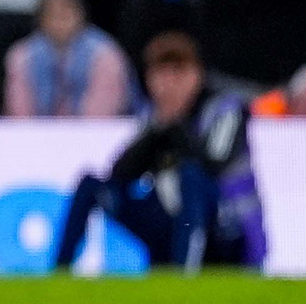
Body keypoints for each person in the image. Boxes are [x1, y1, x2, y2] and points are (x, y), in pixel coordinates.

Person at [54, 32, 259, 272]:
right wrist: (156, 132)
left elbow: (215, 167)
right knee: (92, 185)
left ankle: (185, 273)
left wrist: (176, 129)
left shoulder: (223, 108)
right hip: (172, 224)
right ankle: (60, 272)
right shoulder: (153, 117)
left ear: (197, 75)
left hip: (226, 230)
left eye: (178, 73)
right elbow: (120, 173)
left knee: (191, 177)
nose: (168, 84)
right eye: (160, 75)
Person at [4, 0, 135, 118]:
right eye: (52, 15)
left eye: (65, 15)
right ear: (41, 20)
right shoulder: (22, 55)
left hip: (94, 133)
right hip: (37, 134)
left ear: (80, 15)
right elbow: (20, 115)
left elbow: (101, 115)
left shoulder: (105, 55)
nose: (59, 23)